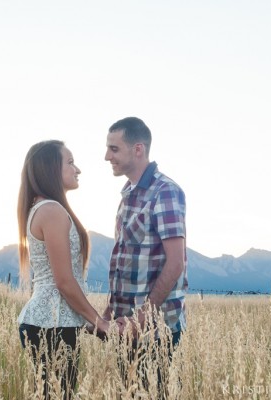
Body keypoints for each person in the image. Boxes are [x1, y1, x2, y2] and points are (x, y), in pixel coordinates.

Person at [16, 140, 110, 399]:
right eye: (69, 162)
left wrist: (89, 323)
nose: (77, 169)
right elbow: (64, 282)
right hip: (51, 327)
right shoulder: (51, 211)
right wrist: (99, 322)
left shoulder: (44, 209)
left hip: (50, 323)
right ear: (50, 169)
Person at [102, 117, 188, 390]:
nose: (107, 156)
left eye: (114, 149)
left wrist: (141, 319)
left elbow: (176, 263)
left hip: (155, 329)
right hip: (124, 325)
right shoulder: (128, 194)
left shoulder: (165, 192)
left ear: (138, 149)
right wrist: (109, 312)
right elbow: (126, 260)